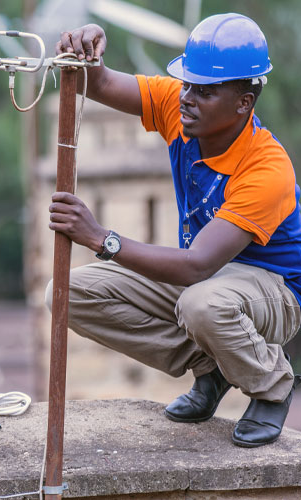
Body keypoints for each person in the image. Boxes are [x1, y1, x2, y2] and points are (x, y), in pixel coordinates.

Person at [46, 13, 301, 448]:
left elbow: (196, 265)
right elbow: (101, 83)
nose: (187, 98)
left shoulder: (267, 169)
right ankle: (214, 368)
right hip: (209, 283)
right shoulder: (179, 110)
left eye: (205, 91)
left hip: (273, 292)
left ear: (244, 102)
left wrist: (100, 238)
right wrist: (86, 51)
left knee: (202, 303)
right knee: (66, 292)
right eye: (186, 84)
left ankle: (272, 385)